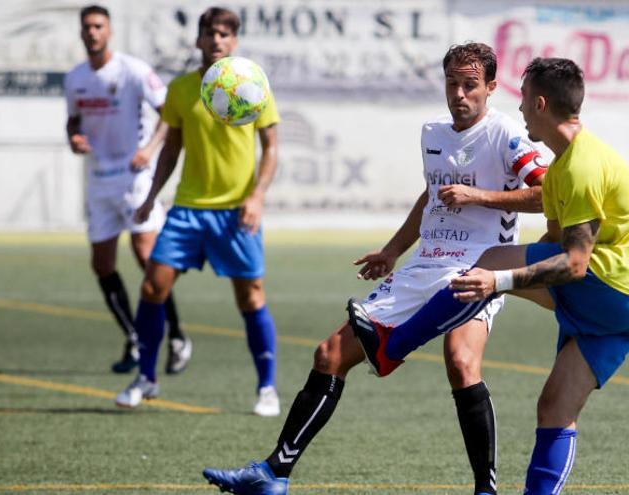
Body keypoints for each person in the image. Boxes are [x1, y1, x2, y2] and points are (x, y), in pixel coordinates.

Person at [202, 42, 548, 494]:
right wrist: (392, 251)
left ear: (490, 88)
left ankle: (486, 488)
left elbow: (545, 195)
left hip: (478, 265)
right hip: (426, 264)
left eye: (470, 85)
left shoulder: (506, 135)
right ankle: (274, 473)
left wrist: (479, 196)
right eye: (452, 84)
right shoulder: (433, 133)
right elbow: (431, 196)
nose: (460, 94)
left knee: (462, 363)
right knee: (328, 356)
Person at [355, 57, 629, 494]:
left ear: (540, 104)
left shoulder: (580, 166)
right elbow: (553, 242)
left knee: (492, 260)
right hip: (610, 309)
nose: (518, 111)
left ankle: (394, 346)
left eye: (522, 100)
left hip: (611, 289)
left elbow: (574, 264)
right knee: (555, 409)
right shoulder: (561, 167)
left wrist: (496, 282)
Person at [114, 7, 282, 416]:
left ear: (235, 41)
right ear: (198, 39)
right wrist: (152, 196)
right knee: (153, 286)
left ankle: (267, 388)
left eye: (225, 34)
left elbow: (272, 148)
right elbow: (171, 149)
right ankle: (147, 377)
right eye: (210, 33)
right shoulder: (182, 89)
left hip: (236, 211)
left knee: (251, 297)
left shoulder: (253, 84)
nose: (217, 40)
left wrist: (256, 197)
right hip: (188, 208)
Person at [64, 5, 191, 374]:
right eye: (87, 27)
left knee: (149, 259)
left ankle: (178, 337)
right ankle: (136, 337)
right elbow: (73, 119)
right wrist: (73, 137)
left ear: (110, 31)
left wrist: (150, 150)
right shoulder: (75, 78)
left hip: (136, 177)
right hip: (99, 178)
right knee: (102, 264)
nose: (92, 32)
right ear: (81, 32)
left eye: (98, 26)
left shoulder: (133, 70)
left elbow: (170, 112)